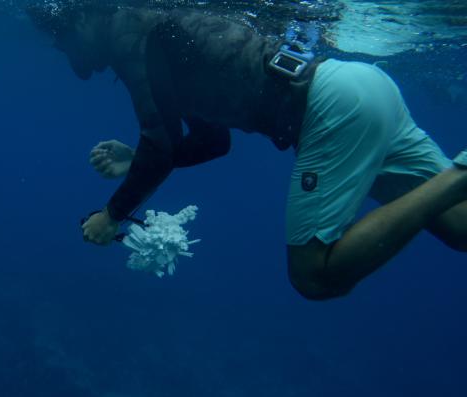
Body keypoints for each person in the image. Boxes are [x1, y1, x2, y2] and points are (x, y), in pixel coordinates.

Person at [26, 1, 467, 300]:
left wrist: (112, 216)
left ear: (80, 18)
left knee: (314, 276)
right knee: (460, 228)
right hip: (360, 87)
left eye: (60, 42)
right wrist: (135, 161)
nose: (67, 56)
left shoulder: (124, 30)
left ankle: (459, 176)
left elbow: (159, 148)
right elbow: (214, 141)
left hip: (333, 112)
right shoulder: (154, 25)